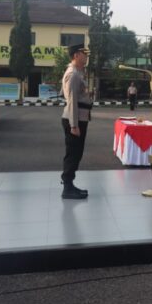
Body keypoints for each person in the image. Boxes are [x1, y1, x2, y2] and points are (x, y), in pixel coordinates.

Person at [60, 43, 93, 200]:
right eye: (83, 54)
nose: (86, 57)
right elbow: (72, 100)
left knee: (76, 153)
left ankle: (70, 185)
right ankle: (67, 188)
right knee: (73, 153)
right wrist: (74, 125)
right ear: (76, 56)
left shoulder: (78, 73)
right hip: (75, 119)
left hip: (80, 117)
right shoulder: (73, 74)